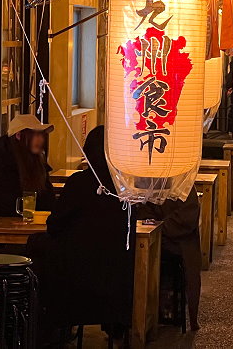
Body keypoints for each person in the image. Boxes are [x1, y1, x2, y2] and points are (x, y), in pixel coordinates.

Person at [37, 125, 134, 337]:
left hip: (76, 281)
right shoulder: (127, 187)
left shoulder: (78, 183)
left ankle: (47, 326)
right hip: (116, 283)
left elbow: (54, 224)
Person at [137, 187, 202, 331]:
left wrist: (159, 226)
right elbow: (141, 212)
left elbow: (186, 219)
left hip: (178, 243)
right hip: (153, 236)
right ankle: (137, 316)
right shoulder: (149, 182)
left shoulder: (185, 187)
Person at [0, 114, 56, 216]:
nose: (40, 139)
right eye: (35, 135)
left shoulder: (36, 162)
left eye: (41, 135)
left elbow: (47, 196)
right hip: (2, 224)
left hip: (32, 222)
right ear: (19, 135)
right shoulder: (0, 162)